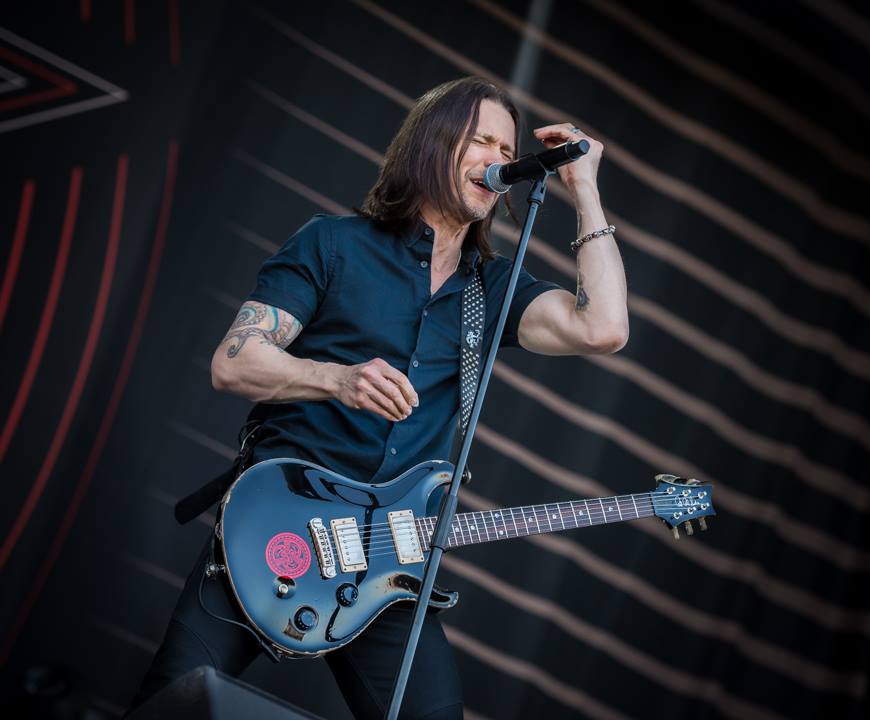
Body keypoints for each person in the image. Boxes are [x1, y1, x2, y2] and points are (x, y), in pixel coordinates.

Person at [128, 76, 627, 719]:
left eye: (508, 150)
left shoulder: (493, 287)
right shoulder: (334, 244)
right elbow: (234, 362)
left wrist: (585, 189)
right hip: (274, 529)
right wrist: (337, 378)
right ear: (430, 144)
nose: (499, 160)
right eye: (481, 141)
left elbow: (603, 329)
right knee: (169, 706)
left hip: (385, 563)